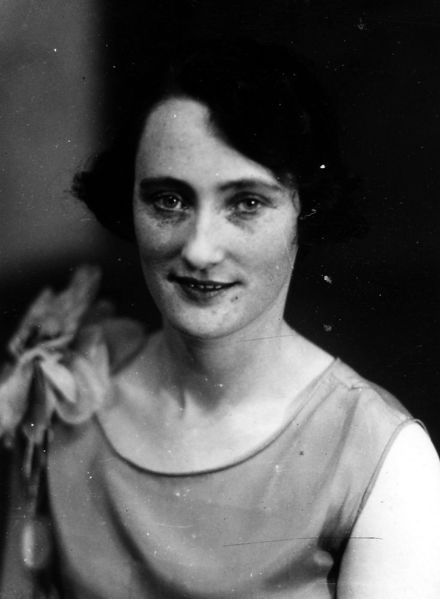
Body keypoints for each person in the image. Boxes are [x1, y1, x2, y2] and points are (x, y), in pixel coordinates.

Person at [1, 38, 440, 598]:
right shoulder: (65, 394)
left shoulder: (381, 456)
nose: (200, 249)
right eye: (168, 200)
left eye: (247, 203)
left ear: (304, 210)